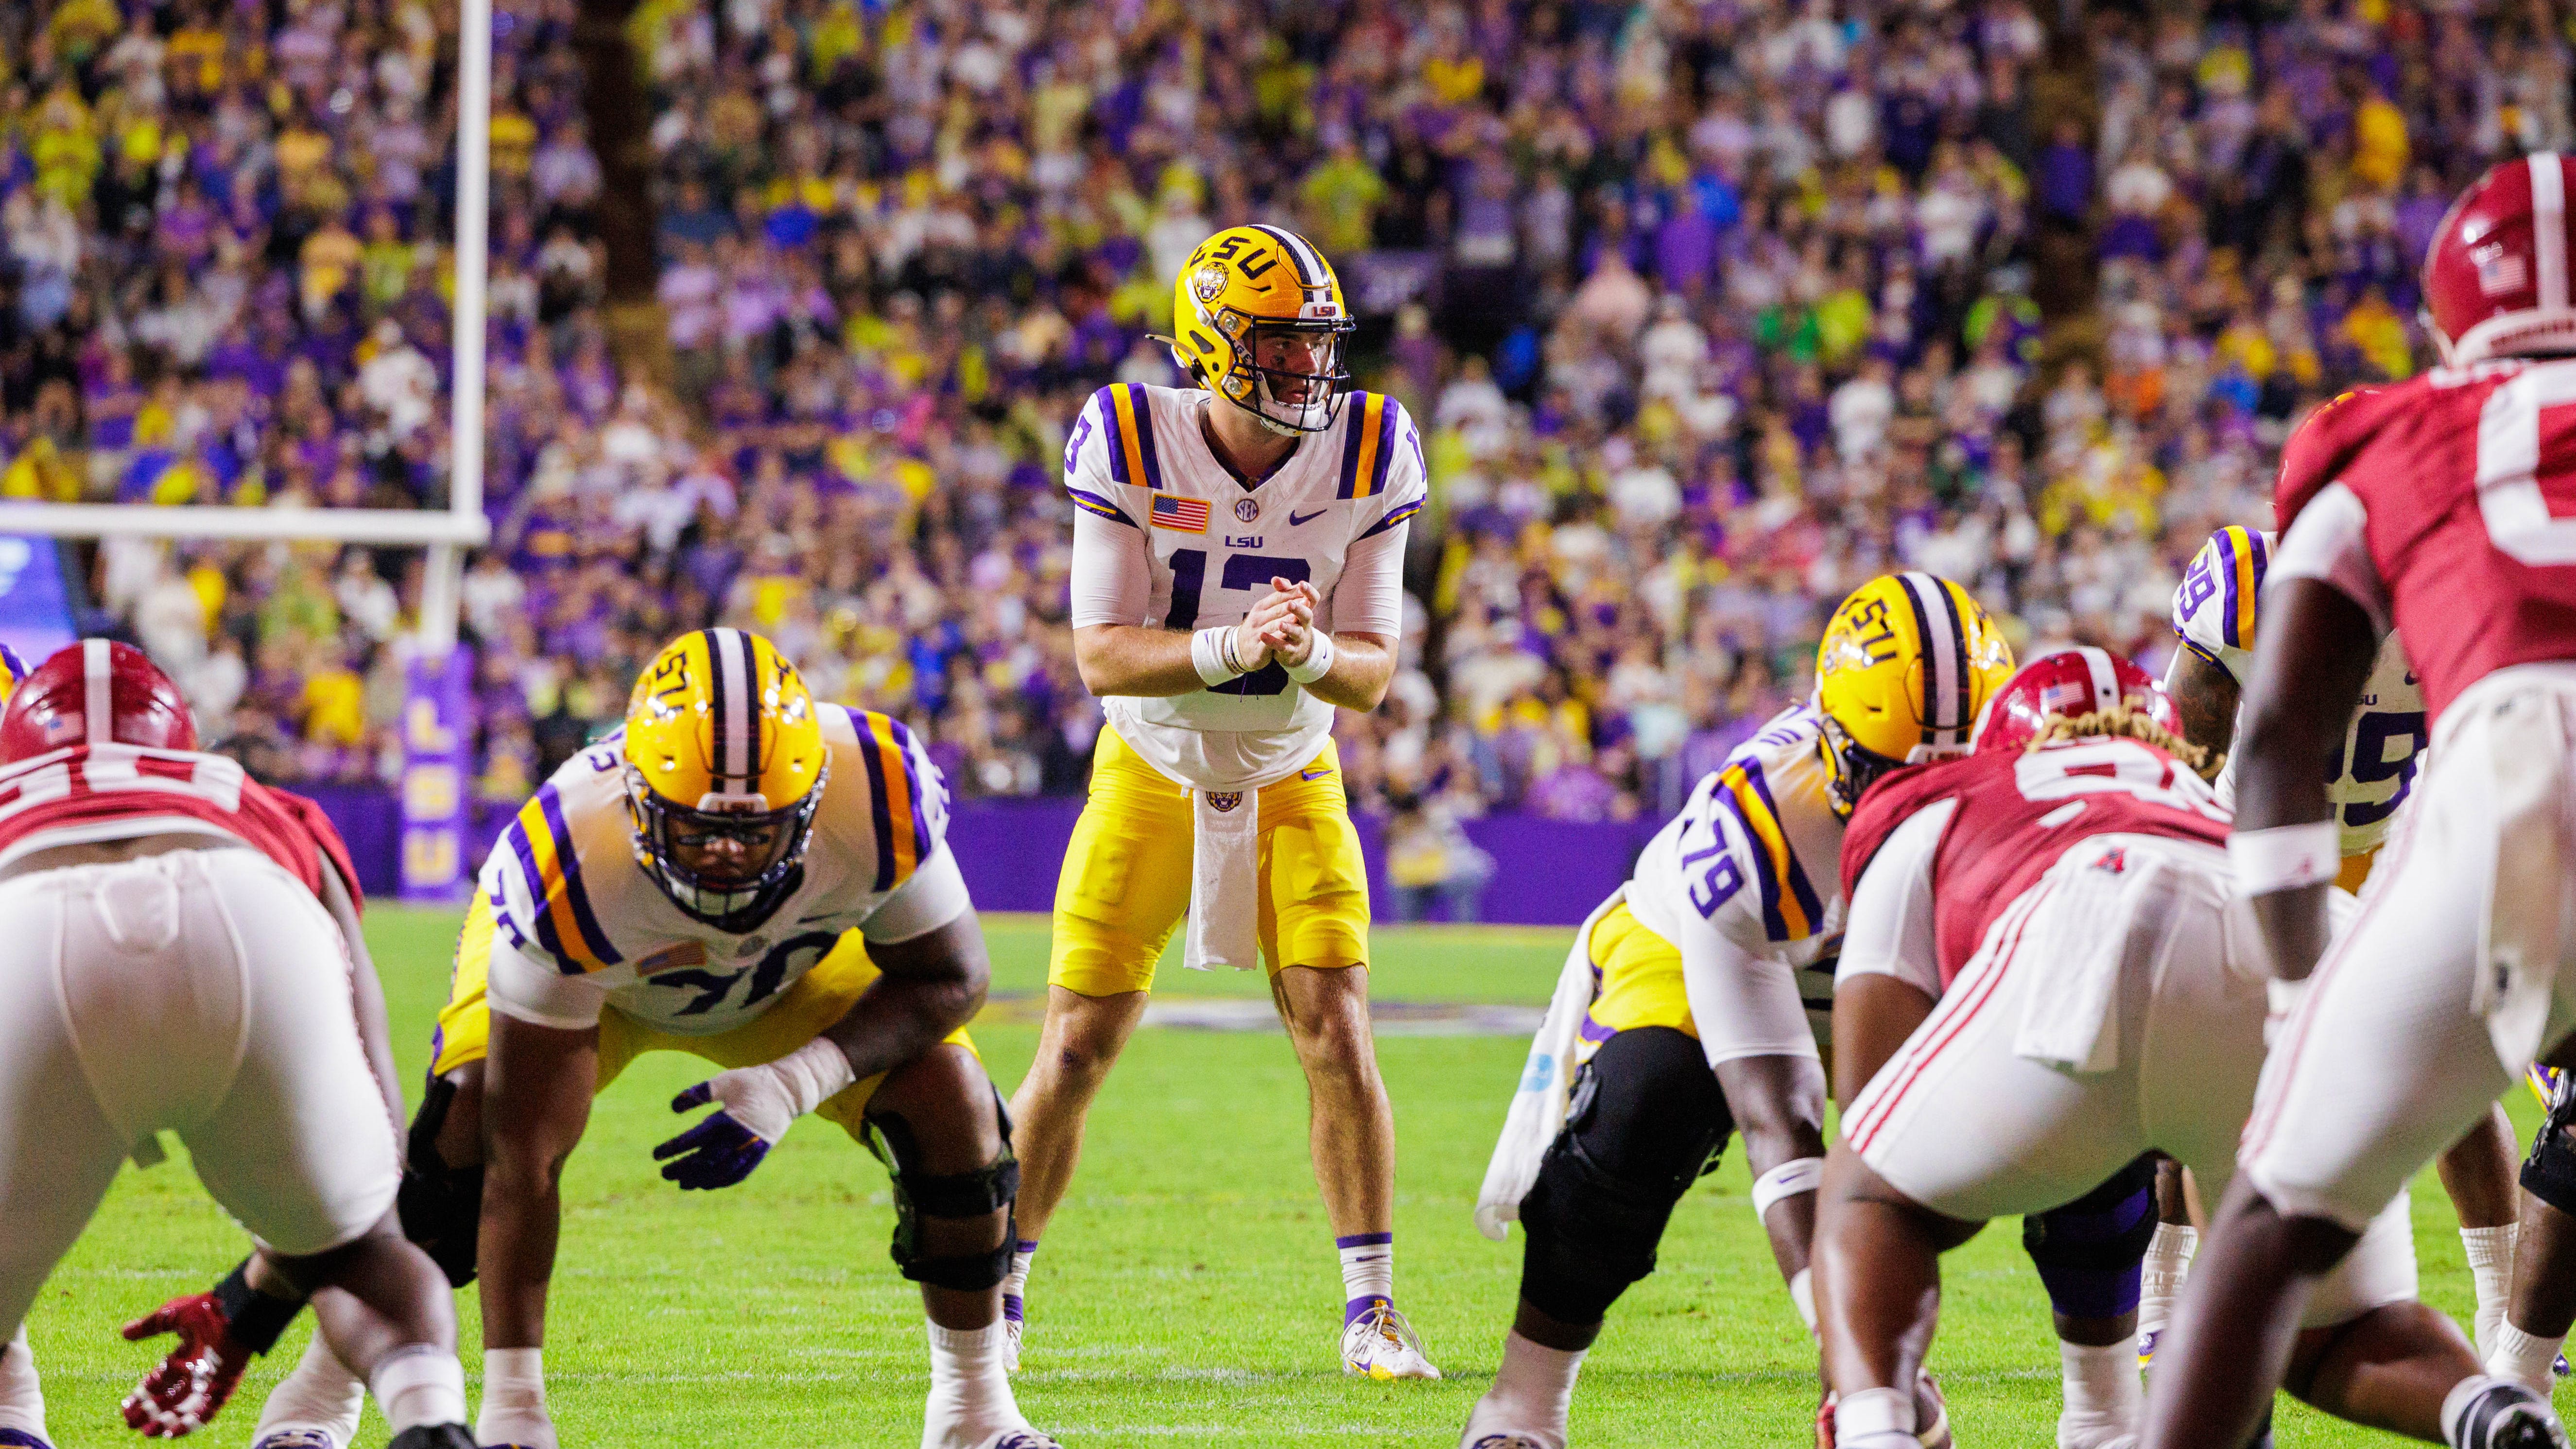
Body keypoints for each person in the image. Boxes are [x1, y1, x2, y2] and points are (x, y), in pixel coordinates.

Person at [231, 628, 1057, 1449]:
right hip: (602, 976)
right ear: (637, 798)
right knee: (463, 1141)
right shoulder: (568, 854)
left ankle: (975, 1411)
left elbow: (952, 976)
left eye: (757, 832)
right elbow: (523, 1158)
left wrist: (792, 1081)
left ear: (811, 802)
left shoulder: (873, 791)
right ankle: (323, 1389)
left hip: (786, 968)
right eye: (696, 831)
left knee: (953, 1102)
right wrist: (514, 1411)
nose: (727, 858)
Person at [2141, 154, 2576, 1449]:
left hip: (2475, 802)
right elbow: (2212, 730)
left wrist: (2291, 987)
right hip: (2397, 825)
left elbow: (2275, 734)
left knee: (2276, 1198)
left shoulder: (2385, 441)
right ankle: (2507, 1367)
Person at [1816, 647, 2501, 1449]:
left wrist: (1936, 1192)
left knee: (1864, 1195)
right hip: (2302, 941)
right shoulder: (2197, 794)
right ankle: (2489, 1411)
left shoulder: (1957, 793)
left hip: (2095, 913)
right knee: (2336, 1328)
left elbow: (1868, 1096)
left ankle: (1877, 1431)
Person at [1005, 224, 1437, 1379]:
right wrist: (1230, 645)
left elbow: (1372, 672)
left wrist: (1301, 655)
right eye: (1281, 344)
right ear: (1211, 344)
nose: (1308, 367)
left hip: (1292, 765)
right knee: (1076, 1043)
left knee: (1336, 1028)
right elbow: (1100, 652)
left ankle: (1371, 1311)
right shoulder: (1128, 433)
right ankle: (996, 1292)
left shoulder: (1371, 444)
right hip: (1150, 764)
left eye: (1316, 343)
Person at [1460, 572, 2016, 1449]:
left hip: (1886, 967)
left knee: (2088, 1093)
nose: (1916, 809)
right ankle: (1523, 1404)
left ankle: (2105, 1417)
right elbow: (1778, 1125)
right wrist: (1855, 1356)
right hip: (1700, 950)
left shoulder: (2034, 810)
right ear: (1829, 739)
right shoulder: (1757, 819)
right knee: (1641, 1106)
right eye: (1890, 777)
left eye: (1953, 781)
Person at [0, 641, 474, 1449]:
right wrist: (322, 1248)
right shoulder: (250, 795)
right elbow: (372, 1073)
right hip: (246, 907)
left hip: (31, 921)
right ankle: (431, 1420)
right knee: (368, 1257)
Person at [2148, 507, 2522, 1361]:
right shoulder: (2249, 583)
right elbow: (2188, 739)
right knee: (2201, 1065)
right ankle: (2160, 1298)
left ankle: (2502, 1307)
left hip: (2386, 846)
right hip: (2252, 839)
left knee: (2453, 1073)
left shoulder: (2443, 587)